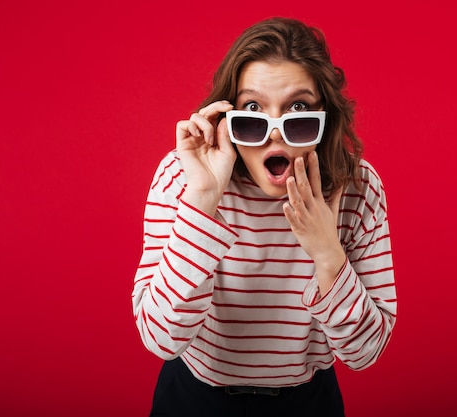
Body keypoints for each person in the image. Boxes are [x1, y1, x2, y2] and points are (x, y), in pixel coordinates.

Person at [131, 17, 397, 417]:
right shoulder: (181, 177)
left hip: (308, 402)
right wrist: (203, 200)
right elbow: (160, 338)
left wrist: (328, 252)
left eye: (299, 108)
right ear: (228, 117)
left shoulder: (358, 188)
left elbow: (365, 352)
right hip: (193, 398)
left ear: (325, 118)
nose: (276, 133)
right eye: (253, 109)